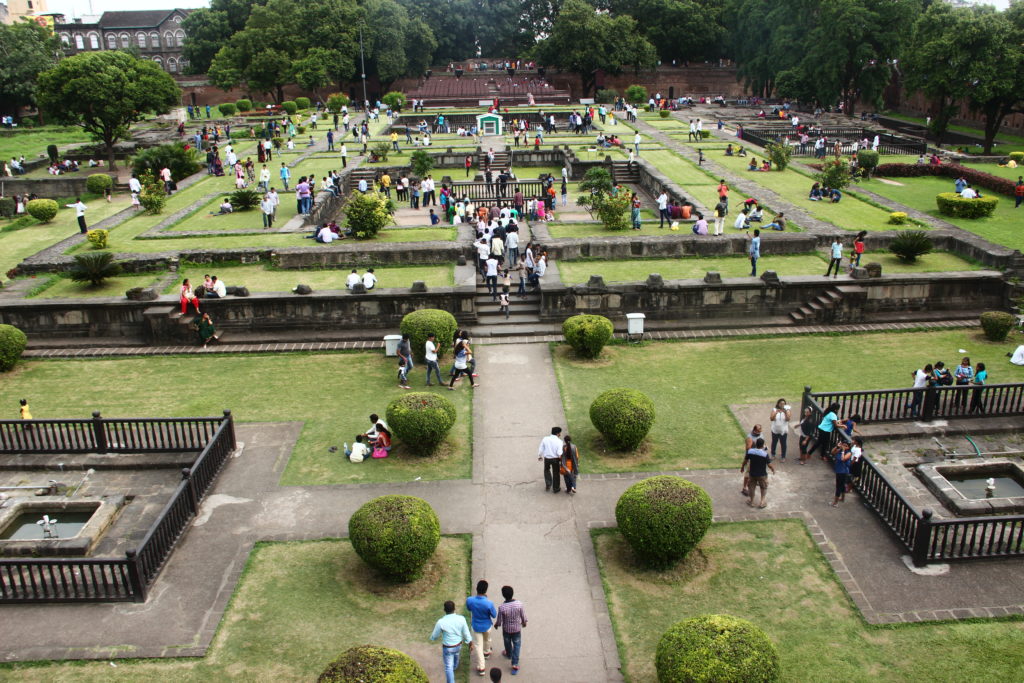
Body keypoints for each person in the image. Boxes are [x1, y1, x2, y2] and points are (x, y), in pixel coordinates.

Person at [430, 600, 473, 683]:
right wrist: (470, 643)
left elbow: (434, 636)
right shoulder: (461, 619)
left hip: (448, 648)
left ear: (444, 610)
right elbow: (466, 632)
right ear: (454, 609)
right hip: (458, 645)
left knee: (448, 667)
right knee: (456, 654)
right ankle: (455, 666)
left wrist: (432, 638)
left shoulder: (441, 622)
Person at [466, 580, 497, 677]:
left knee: (478, 646)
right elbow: (494, 615)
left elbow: (469, 608)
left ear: (476, 589)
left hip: (476, 626)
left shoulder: (470, 600)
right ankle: (487, 652)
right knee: (487, 639)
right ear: (486, 590)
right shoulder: (489, 603)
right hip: (487, 625)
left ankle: (481, 667)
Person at [494, 585, 526, 676]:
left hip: (506, 630)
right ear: (513, 593)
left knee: (507, 643)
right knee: (517, 645)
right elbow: (523, 615)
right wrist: (524, 622)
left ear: (503, 595)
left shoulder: (502, 607)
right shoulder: (519, 604)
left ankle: (509, 654)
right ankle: (515, 664)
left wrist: (496, 625)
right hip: (517, 629)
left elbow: (499, 620)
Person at [741, 437, 774, 508]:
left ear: (755, 444)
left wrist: (742, 467)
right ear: (763, 445)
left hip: (752, 473)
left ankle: (751, 501)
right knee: (763, 487)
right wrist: (773, 469)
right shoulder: (765, 454)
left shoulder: (750, 451)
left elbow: (745, 461)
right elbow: (769, 465)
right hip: (762, 474)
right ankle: (762, 502)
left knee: (751, 487)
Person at [538, 426, 564, 493]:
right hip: (555, 459)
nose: (560, 434)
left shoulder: (545, 439)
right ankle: (556, 488)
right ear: (557, 433)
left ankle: (548, 484)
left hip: (547, 458)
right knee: (556, 473)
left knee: (546, 470)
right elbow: (559, 453)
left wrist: (540, 456)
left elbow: (541, 448)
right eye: (559, 433)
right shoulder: (559, 441)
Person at [830, 440, 853, 507]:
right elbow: (832, 452)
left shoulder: (848, 453)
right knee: (842, 485)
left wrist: (843, 451)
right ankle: (842, 498)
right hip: (838, 470)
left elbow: (843, 459)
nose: (844, 447)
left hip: (843, 472)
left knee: (839, 486)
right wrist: (837, 447)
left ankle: (835, 502)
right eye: (843, 445)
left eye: (846, 446)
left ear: (848, 447)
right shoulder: (839, 451)